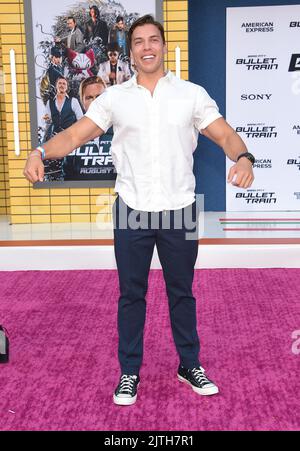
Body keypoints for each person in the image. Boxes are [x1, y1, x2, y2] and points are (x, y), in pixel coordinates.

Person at [24, 15, 255, 406]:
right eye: (139, 42)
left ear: (163, 46)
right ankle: (129, 372)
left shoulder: (191, 94)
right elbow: (76, 134)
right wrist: (40, 151)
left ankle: (189, 364)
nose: (147, 47)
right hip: (132, 209)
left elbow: (225, 134)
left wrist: (244, 157)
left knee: (181, 293)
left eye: (153, 40)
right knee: (132, 295)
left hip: (179, 208)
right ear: (130, 52)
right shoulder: (115, 98)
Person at [43, 76, 83, 180]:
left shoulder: (73, 101)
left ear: (67, 87)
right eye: (59, 83)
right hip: (55, 137)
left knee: (70, 163)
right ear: (56, 86)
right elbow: (47, 121)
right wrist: (46, 120)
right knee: (54, 164)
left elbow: (81, 119)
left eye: (64, 84)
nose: (61, 85)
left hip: (70, 137)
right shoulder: (50, 102)